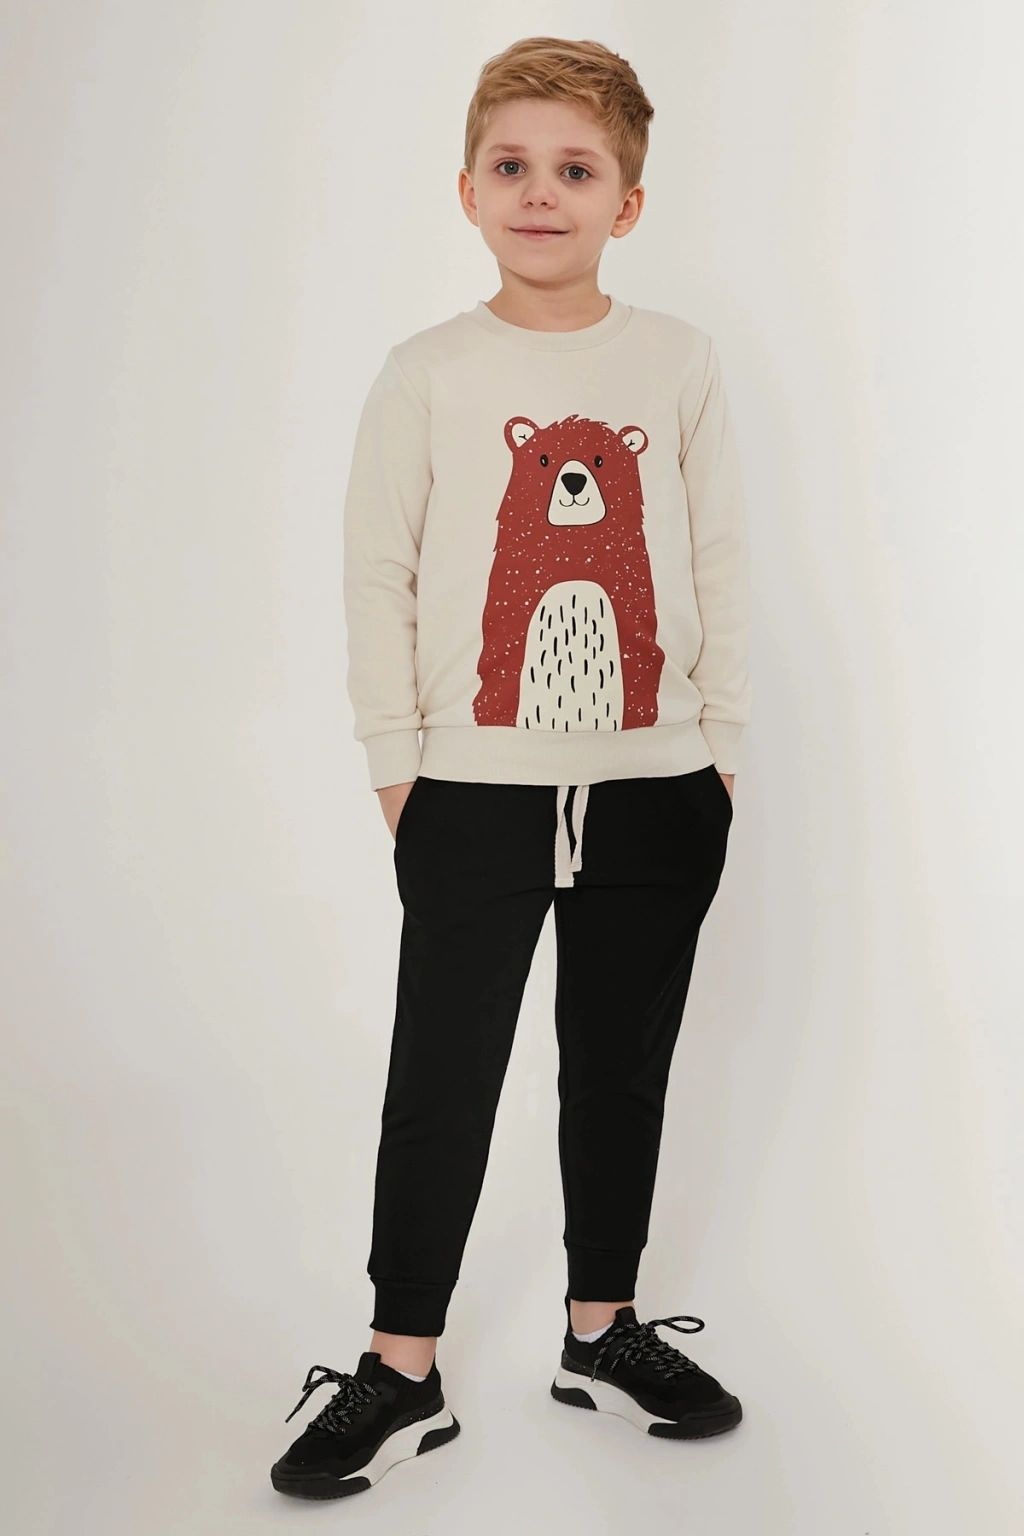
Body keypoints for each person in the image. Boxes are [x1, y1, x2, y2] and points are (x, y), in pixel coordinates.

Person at [271, 33, 752, 1501]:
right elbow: (378, 570)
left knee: (621, 1066)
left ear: (629, 202)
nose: (542, 193)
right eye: (513, 165)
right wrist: (397, 766)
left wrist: (719, 751)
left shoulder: (677, 363)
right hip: (469, 791)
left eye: (576, 170)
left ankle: (602, 1331)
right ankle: (399, 1366)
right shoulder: (429, 373)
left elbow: (720, 557)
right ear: (468, 189)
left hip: (660, 786)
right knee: (443, 1074)